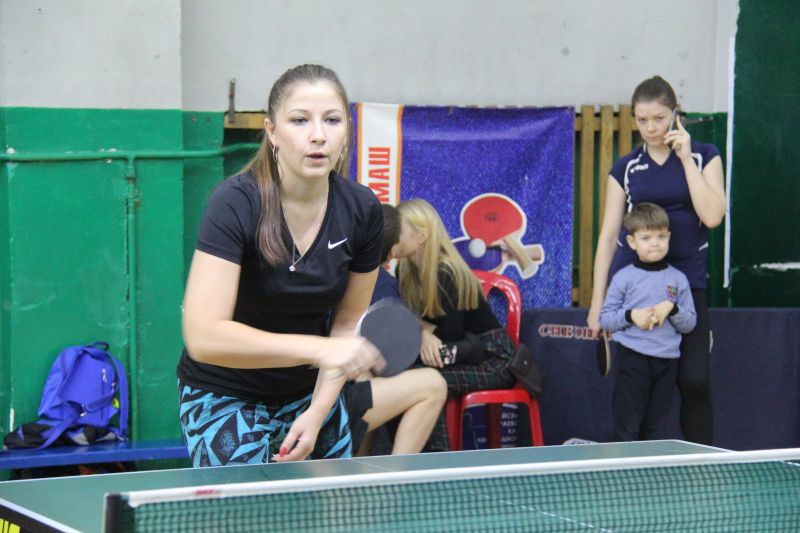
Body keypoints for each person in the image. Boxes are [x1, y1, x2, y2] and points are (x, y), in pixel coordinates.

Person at [176, 64, 386, 467]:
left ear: (347, 130)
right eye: (300, 120)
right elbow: (204, 336)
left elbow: (345, 326)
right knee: (251, 506)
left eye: (332, 120)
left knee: (331, 505)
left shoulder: (362, 210)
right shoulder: (235, 203)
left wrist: (317, 413)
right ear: (271, 131)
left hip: (310, 395)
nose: (318, 135)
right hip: (224, 392)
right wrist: (320, 349)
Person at [587, 75, 725, 445]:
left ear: (676, 114)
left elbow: (712, 216)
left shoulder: (705, 155)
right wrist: (597, 304)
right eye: (642, 120)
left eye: (659, 118)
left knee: (694, 380)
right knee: (638, 389)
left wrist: (686, 159)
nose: (650, 128)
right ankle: (635, 466)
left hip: (686, 284)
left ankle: (702, 463)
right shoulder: (625, 168)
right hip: (636, 288)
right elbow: (608, 237)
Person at [396, 199, 516, 451]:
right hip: (460, 353)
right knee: (403, 379)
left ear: (421, 236)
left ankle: (436, 461)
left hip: (493, 358)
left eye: (397, 230)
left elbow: (450, 334)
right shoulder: (404, 272)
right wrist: (423, 332)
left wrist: (421, 331)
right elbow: (406, 321)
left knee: (424, 381)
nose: (390, 236)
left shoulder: (446, 271)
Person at [343, 203, 447, 456]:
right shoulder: (383, 285)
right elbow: (384, 357)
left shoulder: (332, 270)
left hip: (312, 392)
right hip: (332, 400)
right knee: (433, 384)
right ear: (390, 253)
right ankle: (396, 475)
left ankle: (357, 469)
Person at [599, 203, 697, 441]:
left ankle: (648, 466)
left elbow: (690, 323)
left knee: (655, 427)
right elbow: (606, 319)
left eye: (661, 237)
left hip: (667, 362)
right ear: (632, 242)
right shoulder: (623, 278)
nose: (655, 243)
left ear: (669, 237)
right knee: (627, 424)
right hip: (632, 359)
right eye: (646, 238)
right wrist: (631, 315)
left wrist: (672, 308)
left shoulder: (678, 279)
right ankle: (624, 465)